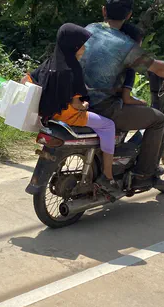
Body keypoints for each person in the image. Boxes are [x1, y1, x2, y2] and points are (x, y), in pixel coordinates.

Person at [80, 0, 164, 189]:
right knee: (158, 120)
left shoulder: (89, 29)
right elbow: (156, 68)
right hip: (103, 108)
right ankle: (144, 174)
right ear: (130, 14)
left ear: (103, 10)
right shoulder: (126, 45)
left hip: (78, 101)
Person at [23, 23, 123, 197]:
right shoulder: (72, 68)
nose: (84, 48)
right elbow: (77, 103)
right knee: (108, 126)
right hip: (70, 116)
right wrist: (83, 106)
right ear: (73, 46)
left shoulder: (51, 62)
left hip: (50, 115)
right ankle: (108, 175)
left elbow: (27, 79)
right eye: (81, 44)